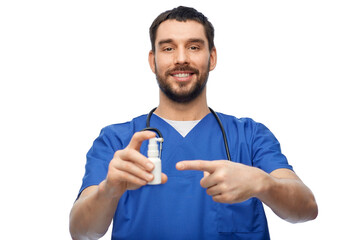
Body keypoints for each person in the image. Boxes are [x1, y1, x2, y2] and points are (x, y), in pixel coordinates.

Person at [69, 6, 318, 240]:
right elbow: (81, 231)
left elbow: (306, 208)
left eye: (194, 47)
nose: (181, 58)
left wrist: (262, 184)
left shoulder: (250, 136)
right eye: (168, 48)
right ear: (152, 60)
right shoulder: (117, 141)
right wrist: (109, 191)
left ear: (212, 57)